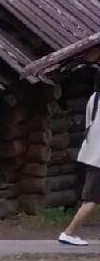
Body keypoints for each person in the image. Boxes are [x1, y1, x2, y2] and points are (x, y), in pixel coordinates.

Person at [58, 77, 100, 246]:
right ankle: (69, 232)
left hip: (92, 152)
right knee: (92, 199)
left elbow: (89, 124)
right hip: (99, 158)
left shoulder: (95, 97)